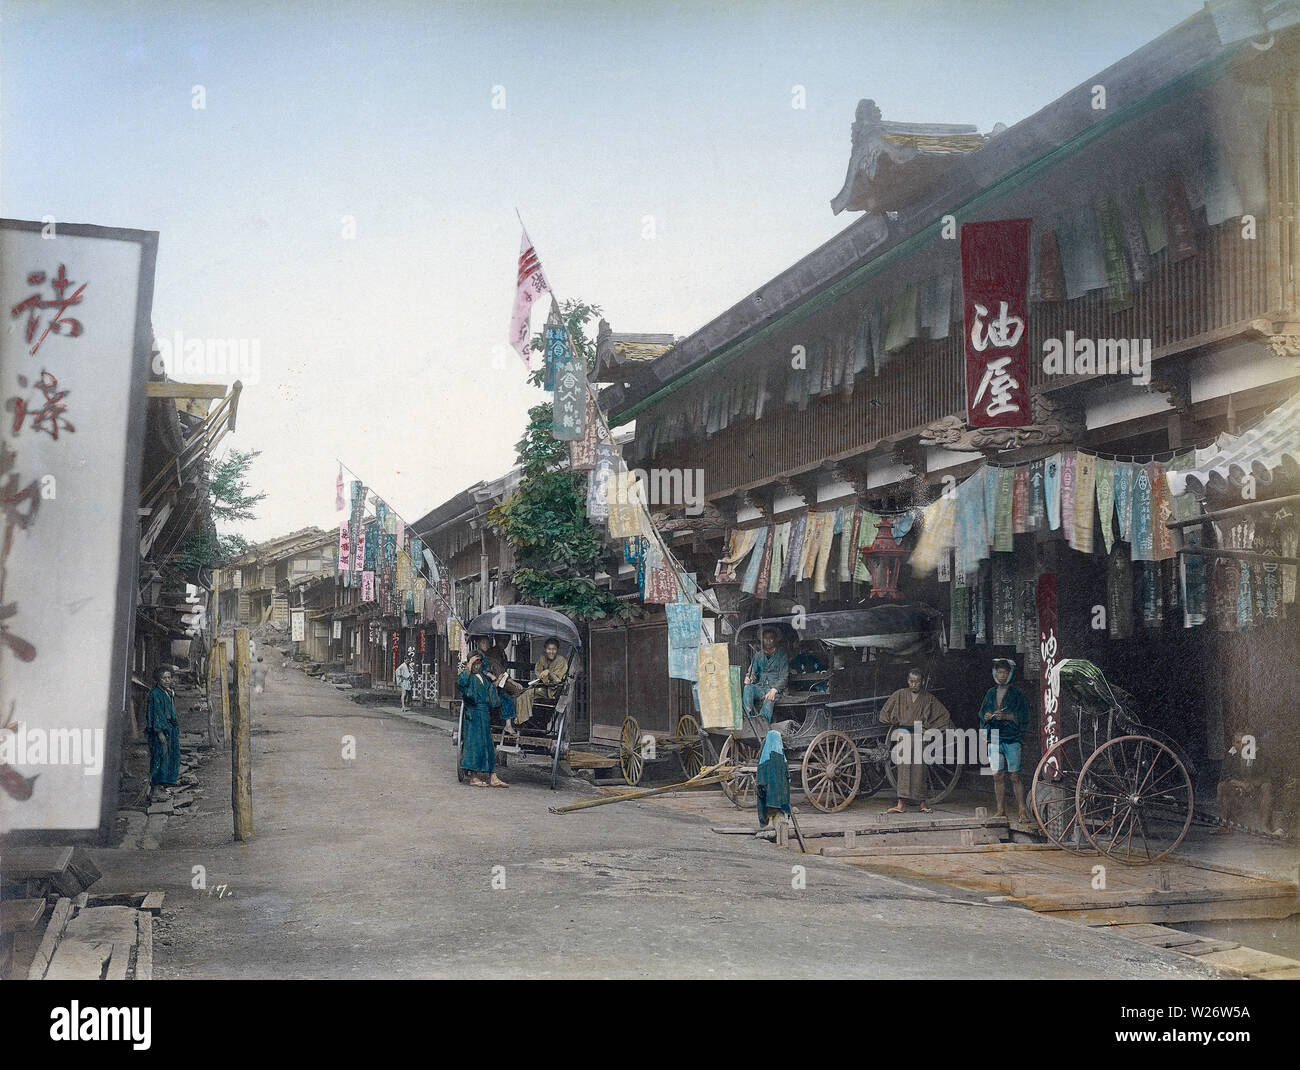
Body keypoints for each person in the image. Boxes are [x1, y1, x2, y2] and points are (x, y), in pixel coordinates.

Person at [879, 668, 951, 815]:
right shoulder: (899, 694)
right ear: (908, 681)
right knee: (903, 769)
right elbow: (884, 713)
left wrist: (930, 730)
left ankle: (922, 803)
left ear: (922, 682)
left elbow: (944, 715)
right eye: (911, 682)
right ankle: (901, 803)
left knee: (920, 770)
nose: (914, 685)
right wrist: (893, 720)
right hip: (903, 735)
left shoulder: (928, 698)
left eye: (917, 682)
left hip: (919, 736)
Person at [978, 658, 1030, 825]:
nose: (1001, 676)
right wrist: (986, 716)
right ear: (995, 674)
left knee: (1015, 775)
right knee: (997, 775)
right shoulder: (990, 693)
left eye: (1005, 673)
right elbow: (982, 713)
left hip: (1011, 738)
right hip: (994, 738)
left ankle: (1022, 810)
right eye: (999, 672)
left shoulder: (1016, 694)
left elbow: (1024, 715)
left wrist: (1007, 716)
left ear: (1010, 674)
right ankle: (1000, 811)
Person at [458, 652, 507, 788]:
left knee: (487, 743)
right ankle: (473, 777)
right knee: (475, 743)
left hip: (484, 713)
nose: (476, 666)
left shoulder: (483, 678)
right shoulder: (467, 677)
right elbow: (461, 684)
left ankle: (492, 776)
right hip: (473, 714)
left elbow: (491, 696)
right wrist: (468, 666)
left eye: (478, 663)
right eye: (473, 663)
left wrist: (496, 684)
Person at [473, 635, 522, 738]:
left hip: (492, 684)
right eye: (483, 643)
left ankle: (508, 724)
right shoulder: (480, 656)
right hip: (483, 686)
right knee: (507, 696)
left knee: (506, 696)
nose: (486, 645)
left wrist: (500, 679)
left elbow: (499, 670)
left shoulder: (489, 656)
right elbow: (479, 670)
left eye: (487, 642)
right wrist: (490, 675)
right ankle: (508, 723)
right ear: (478, 643)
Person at [146, 665, 180, 801]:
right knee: (159, 758)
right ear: (158, 679)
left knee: (169, 759)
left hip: (170, 731)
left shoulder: (168, 692)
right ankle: (155, 790)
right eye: (163, 678)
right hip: (160, 732)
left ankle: (162, 787)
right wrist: (159, 733)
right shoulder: (155, 694)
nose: (167, 680)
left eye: (168, 677)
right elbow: (156, 714)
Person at [520, 637, 569, 732]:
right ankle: (525, 720)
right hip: (543, 688)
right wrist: (542, 676)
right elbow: (538, 672)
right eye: (549, 649)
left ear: (557, 650)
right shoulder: (542, 658)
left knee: (527, 694)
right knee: (523, 693)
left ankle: (523, 720)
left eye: (554, 649)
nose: (551, 652)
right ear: (545, 649)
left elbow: (558, 680)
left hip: (553, 691)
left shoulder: (561, 661)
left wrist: (549, 672)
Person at [742, 628, 789, 724]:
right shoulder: (758, 655)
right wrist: (749, 677)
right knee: (748, 688)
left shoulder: (782, 656)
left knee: (769, 699)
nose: (768, 641)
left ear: (776, 640)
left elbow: (784, 677)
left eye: (771, 638)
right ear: (762, 640)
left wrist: (774, 689)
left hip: (774, 690)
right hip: (760, 688)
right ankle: (748, 720)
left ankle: (763, 725)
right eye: (765, 638)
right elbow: (752, 672)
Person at [755, 729, 791, 829]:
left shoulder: (763, 760)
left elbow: (760, 779)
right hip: (780, 800)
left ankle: (766, 822)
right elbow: (787, 776)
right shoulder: (782, 759)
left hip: (767, 799)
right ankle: (780, 819)